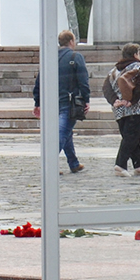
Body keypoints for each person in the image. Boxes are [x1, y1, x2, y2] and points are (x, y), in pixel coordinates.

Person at [32, 30, 90, 173]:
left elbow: (39, 81)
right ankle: (49, 165)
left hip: (50, 102)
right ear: (71, 41)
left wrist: (37, 102)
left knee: (66, 132)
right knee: (62, 133)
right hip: (69, 103)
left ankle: (73, 163)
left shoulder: (50, 57)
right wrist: (86, 99)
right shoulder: (76, 57)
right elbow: (83, 80)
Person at [106, 42, 140, 176]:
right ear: (135, 54)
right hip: (138, 109)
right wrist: (131, 100)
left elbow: (106, 88)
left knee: (130, 136)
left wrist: (115, 100)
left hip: (119, 110)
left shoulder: (113, 71)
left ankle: (139, 164)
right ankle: (120, 165)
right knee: (132, 137)